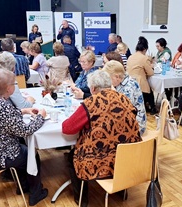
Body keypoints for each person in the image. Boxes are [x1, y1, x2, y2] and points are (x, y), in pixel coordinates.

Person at [0, 68, 48, 206]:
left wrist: (22, 111)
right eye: (14, 84)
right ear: (8, 88)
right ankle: (36, 193)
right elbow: (26, 130)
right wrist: (41, 117)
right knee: (30, 154)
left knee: (21, 149)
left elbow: (1, 118)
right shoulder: (2, 106)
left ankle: (23, 186)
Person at [62, 70, 141, 206]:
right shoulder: (124, 98)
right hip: (127, 156)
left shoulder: (91, 103)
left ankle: (82, 199)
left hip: (98, 159)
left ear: (92, 88)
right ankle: (121, 190)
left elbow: (67, 128)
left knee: (71, 156)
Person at [102, 60, 147, 135]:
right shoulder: (121, 81)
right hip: (127, 120)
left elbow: (121, 110)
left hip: (136, 126)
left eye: (109, 79)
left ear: (117, 77)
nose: (107, 82)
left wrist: (113, 92)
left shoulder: (129, 87)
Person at [127, 36, 157, 115]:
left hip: (130, 81)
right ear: (145, 50)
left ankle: (147, 106)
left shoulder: (130, 57)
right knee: (150, 90)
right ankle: (152, 107)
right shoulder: (144, 58)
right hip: (139, 83)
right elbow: (150, 73)